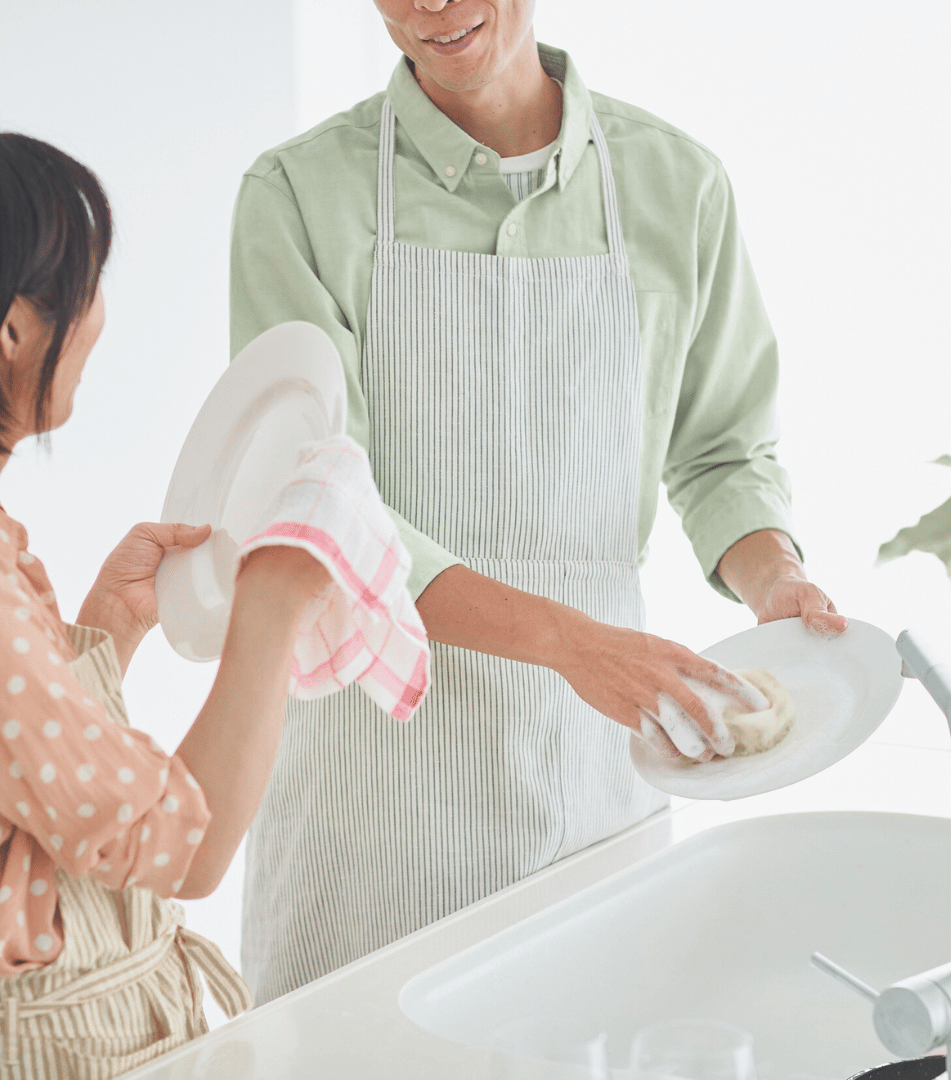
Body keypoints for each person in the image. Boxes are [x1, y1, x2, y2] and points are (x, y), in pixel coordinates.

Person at [227, 0, 848, 1002]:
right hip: (373, 822)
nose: (430, 6)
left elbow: (722, 450)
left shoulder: (675, 186)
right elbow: (328, 514)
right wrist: (574, 645)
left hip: (591, 800)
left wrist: (775, 578)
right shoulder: (300, 195)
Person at [0, 131, 331, 1079]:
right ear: (10, 329)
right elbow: (185, 848)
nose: (100, 317)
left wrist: (106, 633)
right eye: (83, 286)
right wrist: (272, 611)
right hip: (45, 1055)